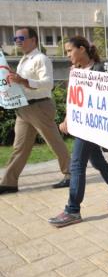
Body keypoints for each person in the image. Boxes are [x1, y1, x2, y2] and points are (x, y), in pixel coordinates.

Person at [47, 36, 108, 227]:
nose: (67, 54)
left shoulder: (99, 70)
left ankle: (73, 210)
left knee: (76, 164)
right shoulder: (75, 72)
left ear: (82, 49)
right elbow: (73, 99)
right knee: (97, 161)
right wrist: (68, 119)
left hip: (92, 126)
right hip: (81, 124)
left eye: (70, 50)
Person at [0, 27, 70, 194]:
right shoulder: (25, 60)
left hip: (39, 106)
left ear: (33, 40)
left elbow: (47, 84)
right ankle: (9, 182)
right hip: (24, 108)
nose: (17, 41)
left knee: (54, 142)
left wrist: (23, 81)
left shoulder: (41, 58)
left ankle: (71, 174)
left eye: (21, 38)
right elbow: (23, 83)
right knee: (20, 146)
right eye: (15, 38)